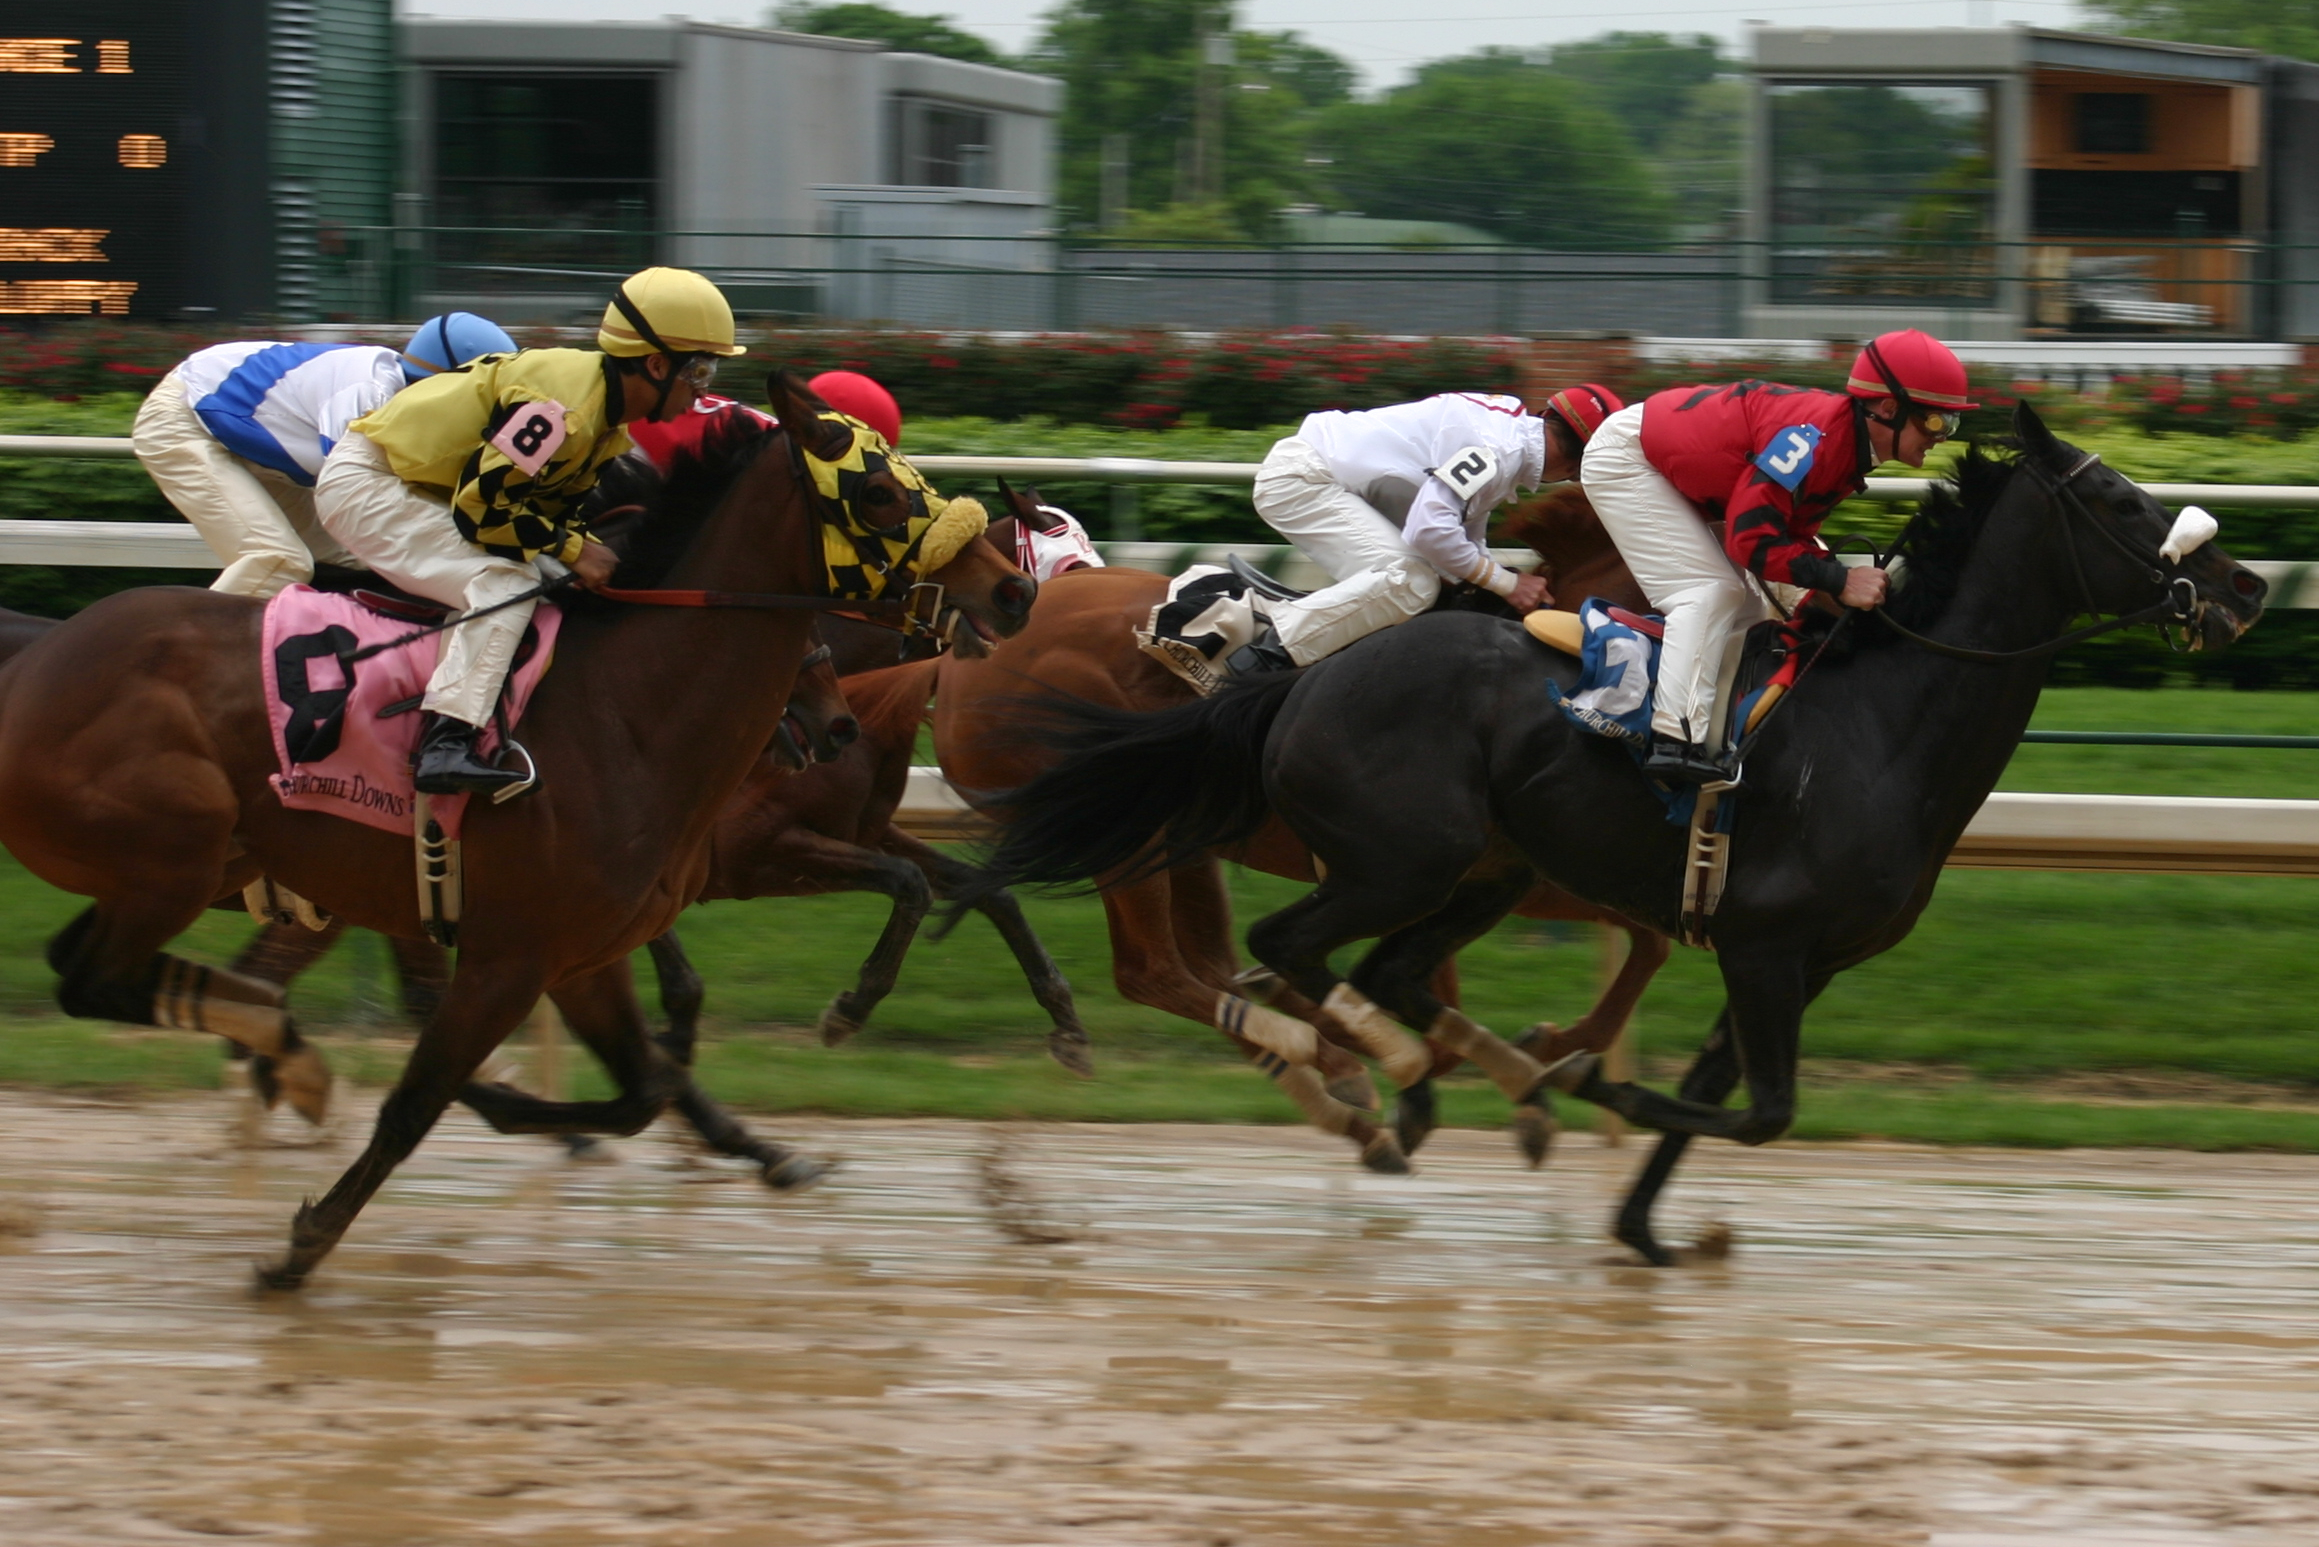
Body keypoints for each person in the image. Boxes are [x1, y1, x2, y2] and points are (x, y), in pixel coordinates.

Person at [313, 266, 745, 795]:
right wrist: (574, 549)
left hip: (422, 486)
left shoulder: (602, 417)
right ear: (656, 364)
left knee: (547, 577)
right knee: (507, 584)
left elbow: (532, 511)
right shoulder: (563, 411)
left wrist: (572, 549)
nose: (701, 393)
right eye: (699, 373)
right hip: (371, 483)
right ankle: (446, 743)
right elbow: (482, 512)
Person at [1582, 328, 1975, 784]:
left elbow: (1787, 536)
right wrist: (1839, 583)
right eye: (1936, 422)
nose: (1942, 436)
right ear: (1888, 408)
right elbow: (1750, 540)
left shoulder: (1847, 448)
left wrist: (1822, 598)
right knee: (1710, 593)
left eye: (1950, 424)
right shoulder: (1814, 440)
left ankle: (1714, 736)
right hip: (1629, 460)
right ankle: (1674, 739)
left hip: (1680, 472)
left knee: (1750, 612)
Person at [1232, 385, 1624, 675]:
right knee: (1409, 582)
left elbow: (1462, 540)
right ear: (1578, 461)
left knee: (1435, 585)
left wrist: (1499, 581)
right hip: (1305, 481)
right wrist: (1509, 585)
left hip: (1328, 478)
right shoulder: (1500, 451)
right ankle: (1260, 660)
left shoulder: (1510, 437)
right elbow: (1429, 530)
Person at [130, 313, 518, 597]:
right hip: (183, 418)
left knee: (362, 564)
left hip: (247, 438)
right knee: (279, 561)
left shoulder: (408, 398)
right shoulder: (368, 395)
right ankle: (175, 664)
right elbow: (350, 494)